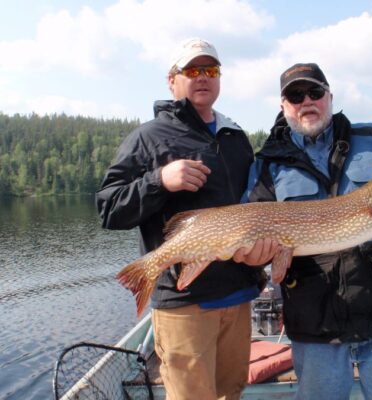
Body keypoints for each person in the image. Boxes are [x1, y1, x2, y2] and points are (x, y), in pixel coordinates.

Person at [242, 63, 372, 400]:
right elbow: (250, 235)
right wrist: (254, 257)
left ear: (330, 96)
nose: (307, 101)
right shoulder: (268, 164)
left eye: (315, 92)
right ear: (283, 106)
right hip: (316, 328)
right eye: (295, 96)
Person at [96, 38, 276, 400]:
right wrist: (159, 180)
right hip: (185, 304)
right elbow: (109, 208)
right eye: (192, 70)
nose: (202, 77)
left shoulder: (235, 137)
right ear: (171, 80)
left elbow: (254, 204)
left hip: (238, 297)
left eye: (211, 69)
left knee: (231, 393)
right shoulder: (148, 138)